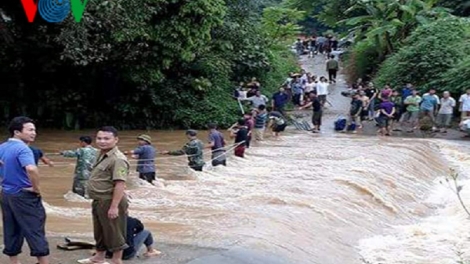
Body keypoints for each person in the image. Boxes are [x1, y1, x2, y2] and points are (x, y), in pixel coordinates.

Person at [0, 116, 50, 264]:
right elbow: (31, 168)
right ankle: (43, 262)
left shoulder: (2, 147)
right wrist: (36, 188)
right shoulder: (23, 148)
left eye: (34, 130)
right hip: (24, 194)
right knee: (35, 229)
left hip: (6, 193)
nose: (34, 133)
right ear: (17, 132)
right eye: (30, 130)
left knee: (11, 227)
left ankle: (14, 261)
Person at [79, 126, 130, 264]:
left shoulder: (118, 159)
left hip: (110, 200)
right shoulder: (100, 154)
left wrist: (114, 206)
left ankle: (116, 260)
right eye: (99, 138)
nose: (102, 141)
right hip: (98, 200)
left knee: (114, 232)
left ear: (116, 140)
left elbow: (120, 184)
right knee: (99, 231)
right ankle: (99, 257)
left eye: (107, 139)